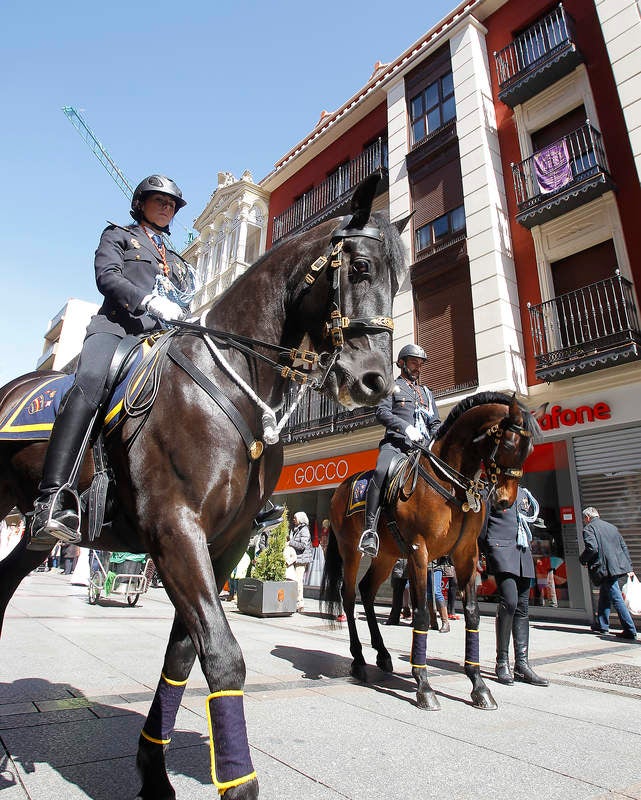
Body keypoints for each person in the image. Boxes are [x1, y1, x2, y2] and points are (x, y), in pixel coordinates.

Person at [29, 176, 194, 549]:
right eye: (159, 201)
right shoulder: (119, 235)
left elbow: (183, 297)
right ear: (141, 204)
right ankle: (52, 496)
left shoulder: (178, 260)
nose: (167, 208)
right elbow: (107, 277)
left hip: (162, 336)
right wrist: (148, 302)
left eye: (172, 204)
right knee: (88, 385)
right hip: (118, 329)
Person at [358, 344, 440, 558]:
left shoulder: (427, 394)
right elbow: (381, 412)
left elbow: (435, 423)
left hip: (423, 449)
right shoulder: (392, 387)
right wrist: (405, 428)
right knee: (380, 472)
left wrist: (436, 440)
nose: (418, 367)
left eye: (420, 364)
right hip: (396, 445)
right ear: (402, 363)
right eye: (414, 362)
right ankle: (370, 531)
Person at [479, 486, 549, 687]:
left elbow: (530, 521)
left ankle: (522, 663)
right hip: (501, 550)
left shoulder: (525, 494)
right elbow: (482, 527)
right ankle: (502, 661)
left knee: (522, 607)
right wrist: (486, 551)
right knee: (509, 602)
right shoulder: (491, 492)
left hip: (522, 551)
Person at [579, 507, 638, 640]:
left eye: (584, 519)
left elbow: (592, 548)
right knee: (605, 595)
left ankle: (630, 629)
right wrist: (629, 566)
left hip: (605, 568)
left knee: (616, 598)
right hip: (616, 567)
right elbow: (623, 546)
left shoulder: (589, 528)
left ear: (587, 518)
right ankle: (602, 624)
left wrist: (583, 560)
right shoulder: (611, 527)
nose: (584, 521)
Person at [289, 511, 313, 612]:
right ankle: (296, 601)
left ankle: (300, 603)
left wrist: (290, 542)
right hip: (297, 559)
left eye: (295, 518)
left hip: (301, 560)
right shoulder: (296, 530)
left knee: (298, 581)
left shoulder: (304, 530)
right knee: (295, 581)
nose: (294, 520)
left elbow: (303, 545)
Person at [427, 559, 450, 633]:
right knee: (428, 594)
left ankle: (445, 622)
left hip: (436, 566)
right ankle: (433, 622)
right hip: (425, 566)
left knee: (436, 592)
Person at [386, 557, 410, 625]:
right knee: (397, 592)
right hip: (398, 566)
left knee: (414, 592)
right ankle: (394, 618)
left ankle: (415, 618)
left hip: (410, 566)